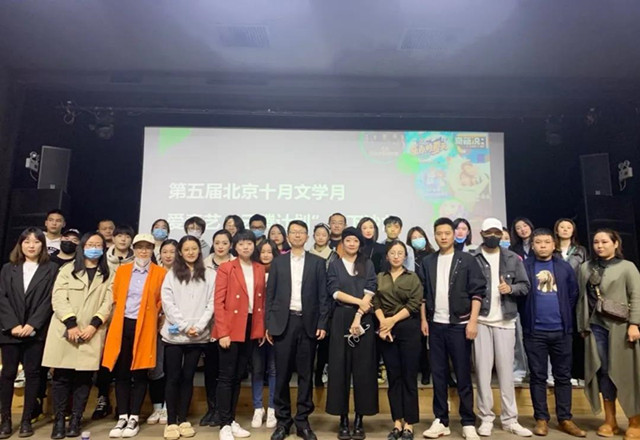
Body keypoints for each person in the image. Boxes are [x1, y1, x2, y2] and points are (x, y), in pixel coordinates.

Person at [42, 232, 114, 439]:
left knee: (84, 379)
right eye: (90, 244)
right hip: (66, 331)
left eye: (98, 245)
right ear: (82, 247)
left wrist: (94, 325)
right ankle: (59, 421)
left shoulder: (109, 273)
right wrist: (71, 324)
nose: (94, 248)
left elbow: (109, 302)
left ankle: (76, 420)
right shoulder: (67, 269)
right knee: (61, 378)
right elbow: (58, 298)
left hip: (92, 332)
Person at [421, 217, 486, 440]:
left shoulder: (466, 259)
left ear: (454, 234)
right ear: (434, 235)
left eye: (447, 233)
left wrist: (473, 321)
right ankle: (441, 420)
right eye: (439, 233)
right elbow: (423, 294)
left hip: (460, 325)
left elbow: (477, 292)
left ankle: (468, 421)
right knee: (438, 374)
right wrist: (424, 320)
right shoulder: (428, 261)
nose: (443, 237)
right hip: (435, 325)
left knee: (463, 374)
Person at [266, 220, 329, 440]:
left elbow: (323, 296)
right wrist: (269, 324)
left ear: (307, 236)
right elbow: (270, 295)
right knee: (282, 374)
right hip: (283, 323)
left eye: (301, 232)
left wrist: (322, 323)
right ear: (288, 236)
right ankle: (283, 422)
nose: (297, 235)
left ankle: (302, 420)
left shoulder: (317, 262)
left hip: (308, 323)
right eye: (293, 232)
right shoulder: (278, 262)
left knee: (305, 374)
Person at [520, 228, 586, 437]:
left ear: (553, 244)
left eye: (547, 242)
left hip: (561, 331)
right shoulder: (525, 266)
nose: (542, 245)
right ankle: (541, 419)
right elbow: (520, 295)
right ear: (532, 245)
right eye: (538, 242)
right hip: (535, 332)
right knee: (538, 376)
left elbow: (573, 294)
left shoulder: (564, 267)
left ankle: (565, 418)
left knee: (563, 376)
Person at [100, 234, 166, 438]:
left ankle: (134, 417)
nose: (143, 251)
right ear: (134, 249)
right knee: (121, 372)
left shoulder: (160, 273)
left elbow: (161, 301)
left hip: (145, 325)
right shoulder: (123, 271)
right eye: (139, 247)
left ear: (152, 250)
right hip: (122, 324)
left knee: (139, 371)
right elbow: (116, 297)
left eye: (147, 247)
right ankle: (122, 415)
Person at [471, 218, 532, 437]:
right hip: (481, 321)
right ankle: (486, 417)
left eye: (497, 232)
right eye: (489, 232)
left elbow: (525, 286)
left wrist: (511, 289)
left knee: (507, 373)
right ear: (481, 233)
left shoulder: (512, 258)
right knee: (482, 373)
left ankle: (510, 419)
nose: (493, 236)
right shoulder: (472, 258)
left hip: (506, 321)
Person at [577, 229, 640, 440]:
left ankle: (635, 421)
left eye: (604, 242)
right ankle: (610, 420)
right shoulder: (586, 267)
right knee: (603, 371)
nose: (600, 246)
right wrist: (582, 326)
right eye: (596, 242)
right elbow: (581, 298)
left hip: (621, 327)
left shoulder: (627, 267)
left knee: (627, 372)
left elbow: (636, 296)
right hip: (595, 327)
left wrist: (634, 324)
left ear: (615, 243)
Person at [0, 228, 57, 438]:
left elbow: (50, 299)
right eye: (27, 241)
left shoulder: (51, 269)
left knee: (33, 374)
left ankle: (27, 420)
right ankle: (5, 419)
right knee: (8, 373)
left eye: (36, 242)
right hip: (10, 330)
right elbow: (2, 297)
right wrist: (12, 324)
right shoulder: (8, 268)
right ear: (20, 244)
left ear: (43, 245)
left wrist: (33, 324)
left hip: (36, 331)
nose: (31, 246)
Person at [326, 227, 378, 440]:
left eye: (355, 241)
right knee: (340, 369)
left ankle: (359, 420)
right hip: (340, 318)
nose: (351, 244)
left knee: (363, 370)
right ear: (342, 243)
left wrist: (358, 315)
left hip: (363, 319)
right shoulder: (335, 264)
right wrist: (358, 302)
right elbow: (334, 291)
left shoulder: (368, 264)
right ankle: (342, 420)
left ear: (359, 244)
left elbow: (371, 289)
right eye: (348, 240)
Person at [160, 235, 214, 440]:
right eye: (186, 249)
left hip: (198, 336)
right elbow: (168, 303)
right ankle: (171, 421)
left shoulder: (210, 274)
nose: (191, 252)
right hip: (174, 335)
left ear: (199, 251)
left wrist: (198, 327)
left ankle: (183, 419)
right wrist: (184, 326)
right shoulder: (171, 275)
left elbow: (212, 303)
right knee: (173, 377)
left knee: (188, 377)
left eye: (194, 248)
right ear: (180, 253)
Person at [214, 231, 266, 440]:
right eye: (242, 244)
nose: (246, 247)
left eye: (249, 243)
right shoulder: (227, 268)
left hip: (250, 326)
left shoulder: (259, 268)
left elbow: (261, 302)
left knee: (237, 376)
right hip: (231, 326)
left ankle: (231, 419)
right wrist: (223, 332)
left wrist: (260, 329)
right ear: (235, 247)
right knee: (226, 377)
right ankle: (224, 424)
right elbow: (218, 302)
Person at [374, 240, 422, 440]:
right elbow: (375, 301)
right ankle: (397, 422)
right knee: (393, 378)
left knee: (409, 377)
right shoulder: (379, 277)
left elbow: (414, 303)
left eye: (400, 253)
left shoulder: (412, 277)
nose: (396, 256)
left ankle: (409, 424)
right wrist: (383, 323)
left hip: (408, 328)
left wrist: (392, 320)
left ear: (405, 256)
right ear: (387, 256)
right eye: (392, 253)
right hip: (386, 330)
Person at [200, 229, 235, 428]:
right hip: (207, 324)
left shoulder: (237, 264)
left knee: (226, 371)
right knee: (210, 369)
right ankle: (211, 408)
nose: (221, 246)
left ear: (231, 245)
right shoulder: (203, 264)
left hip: (228, 325)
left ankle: (223, 411)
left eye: (225, 243)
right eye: (217, 242)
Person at [148, 239, 179, 426]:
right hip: (154, 327)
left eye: (172, 252)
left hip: (176, 327)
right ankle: (157, 407)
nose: (168, 255)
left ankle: (169, 406)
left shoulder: (182, 274)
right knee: (155, 368)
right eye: (164, 252)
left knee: (172, 368)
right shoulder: (154, 273)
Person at [554, 218, 588, 386]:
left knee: (576, 336)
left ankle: (578, 373)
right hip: (556, 296)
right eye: (562, 227)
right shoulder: (552, 250)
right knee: (559, 337)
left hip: (576, 296)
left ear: (573, 231)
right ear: (556, 230)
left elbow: (586, 271)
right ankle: (561, 374)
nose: (565, 230)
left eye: (569, 227)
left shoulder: (580, 250)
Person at [251, 240, 279, 428]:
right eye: (263, 252)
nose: (266, 255)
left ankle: (272, 409)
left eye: (270, 252)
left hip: (276, 328)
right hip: (257, 327)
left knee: (274, 369)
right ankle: (257, 407)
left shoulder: (280, 272)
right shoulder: (253, 272)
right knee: (258, 368)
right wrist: (261, 328)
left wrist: (271, 327)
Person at [309, 223, 338, 388]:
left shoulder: (334, 256)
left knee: (325, 343)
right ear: (313, 236)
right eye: (318, 234)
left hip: (327, 303)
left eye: (324, 235)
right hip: (309, 303)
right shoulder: (306, 254)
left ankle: (320, 374)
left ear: (328, 237)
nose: (320, 237)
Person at [406, 226, 435, 386]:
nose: (417, 239)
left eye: (420, 236)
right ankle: (423, 370)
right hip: (413, 300)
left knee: (433, 340)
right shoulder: (408, 256)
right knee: (420, 340)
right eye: (414, 237)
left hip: (430, 300)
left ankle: (433, 371)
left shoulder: (433, 255)